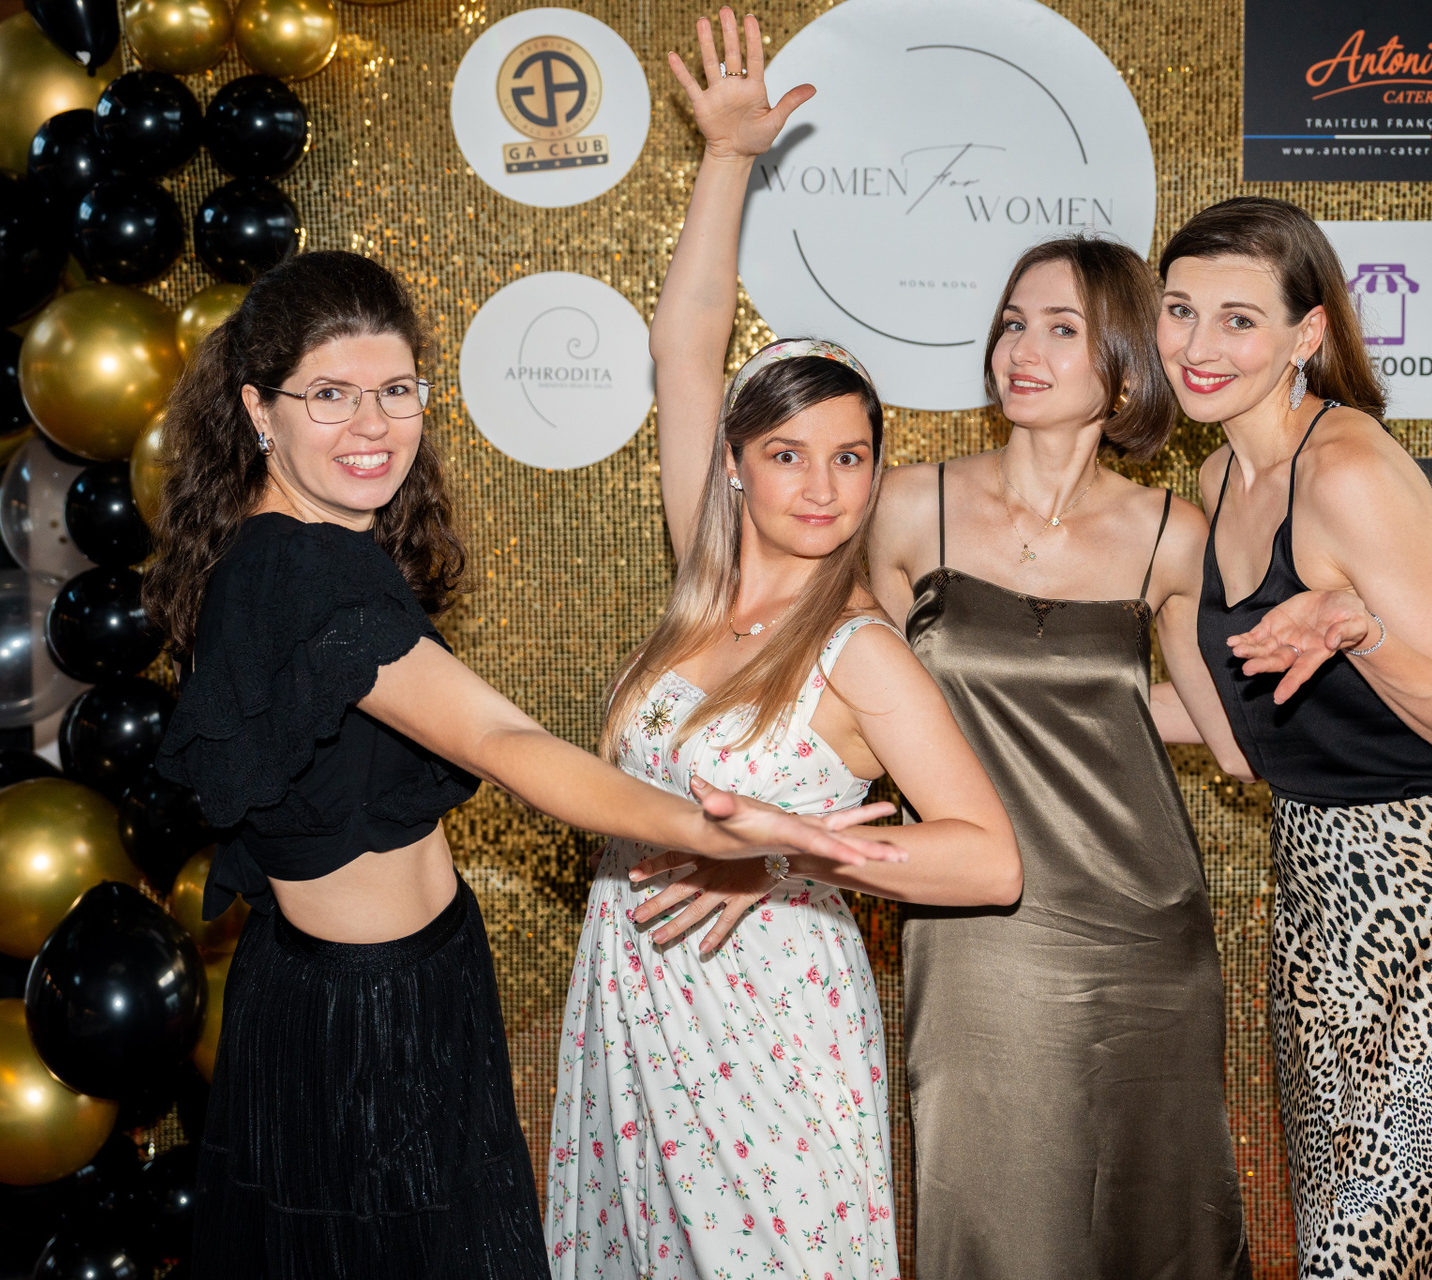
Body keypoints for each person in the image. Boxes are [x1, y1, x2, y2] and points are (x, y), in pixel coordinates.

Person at [145, 250, 901, 1280]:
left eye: (396, 390)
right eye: (330, 395)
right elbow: (504, 743)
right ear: (257, 408)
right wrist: (720, 827)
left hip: (396, 981)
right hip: (361, 1016)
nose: (372, 425)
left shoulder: (314, 544)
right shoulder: (298, 567)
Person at [544, 12, 1021, 1279]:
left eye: (851, 457)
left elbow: (988, 861)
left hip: (773, 1019)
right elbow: (683, 345)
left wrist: (794, 853)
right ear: (736, 468)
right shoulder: (699, 588)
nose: (822, 486)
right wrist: (727, 159)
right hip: (636, 996)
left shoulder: (860, 651)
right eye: (788, 454)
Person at [1151, 195, 1432, 1280]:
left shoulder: (1348, 473)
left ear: (1307, 334)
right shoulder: (1217, 477)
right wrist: (1027, 706)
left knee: (1356, 1256)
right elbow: (1240, 730)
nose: (1197, 345)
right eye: (1180, 310)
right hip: (1319, 910)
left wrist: (1362, 631)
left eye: (1239, 319)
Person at [857, 242, 1253, 1275]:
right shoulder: (908, 506)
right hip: (980, 917)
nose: (1021, 350)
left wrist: (1349, 621)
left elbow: (1230, 736)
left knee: (1149, 1216)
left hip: (1146, 920)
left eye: (1061, 329)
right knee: (994, 1205)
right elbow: (861, 699)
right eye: (1013, 324)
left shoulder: (1172, 533)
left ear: (1122, 370)